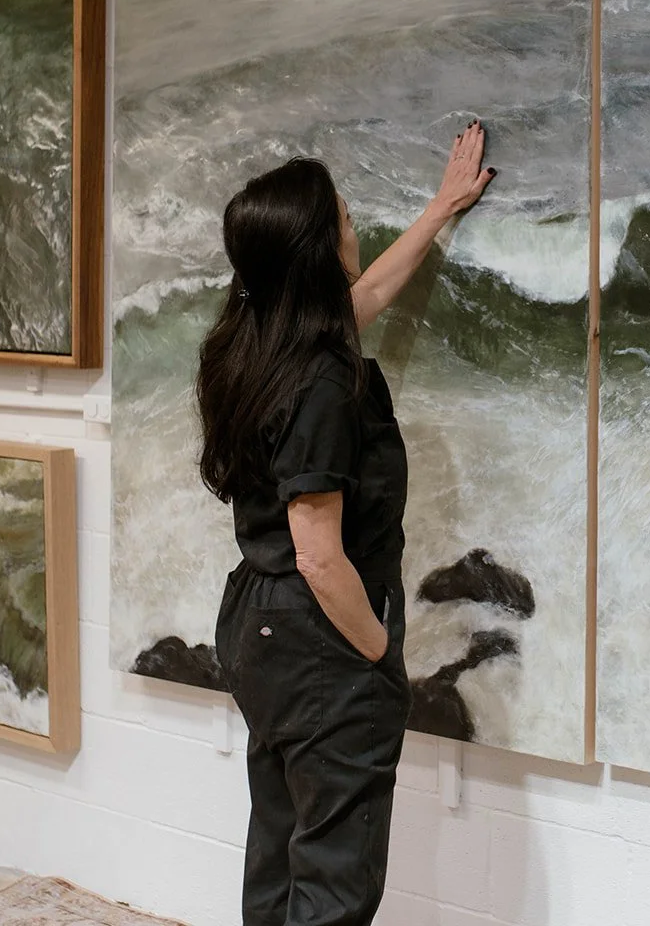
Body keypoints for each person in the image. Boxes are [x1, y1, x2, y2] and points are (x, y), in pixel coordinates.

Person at [197, 122, 497, 926]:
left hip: (254, 625)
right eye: (344, 219)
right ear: (317, 252)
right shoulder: (323, 381)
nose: (355, 226)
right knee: (334, 885)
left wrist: (439, 210)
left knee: (281, 852)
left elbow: (361, 302)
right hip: (320, 634)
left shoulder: (247, 341)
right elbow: (321, 556)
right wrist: (374, 651)